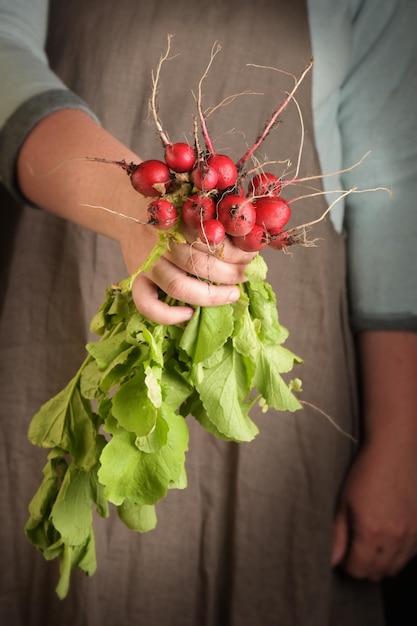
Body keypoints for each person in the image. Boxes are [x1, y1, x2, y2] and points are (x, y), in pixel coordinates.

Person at [0, 1, 416, 624]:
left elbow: (394, 191)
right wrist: (132, 204)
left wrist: (402, 441)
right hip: (70, 284)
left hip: (293, 352)